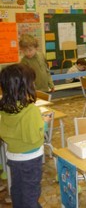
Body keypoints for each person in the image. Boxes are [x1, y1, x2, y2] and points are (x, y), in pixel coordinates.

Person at [0, 63, 47, 208]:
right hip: (31, 158)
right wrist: (44, 123)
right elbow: (35, 137)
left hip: (13, 155)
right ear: (25, 86)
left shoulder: (4, 106)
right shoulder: (30, 110)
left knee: (18, 188)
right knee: (31, 192)